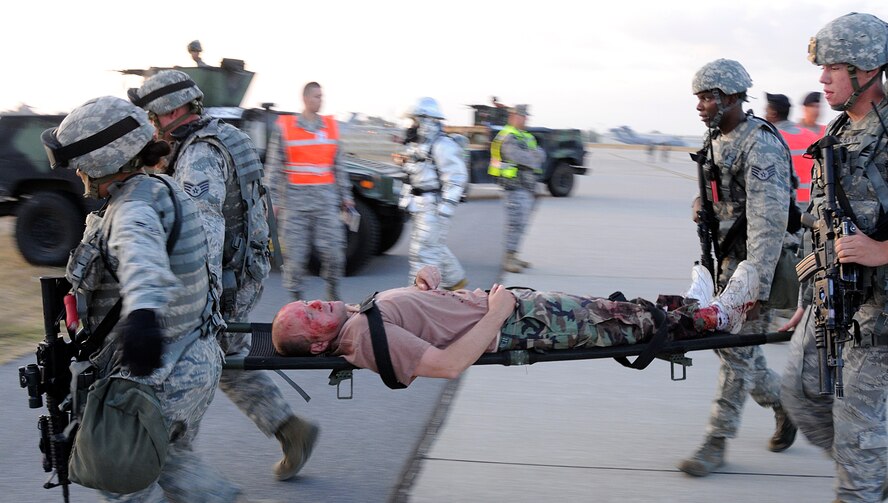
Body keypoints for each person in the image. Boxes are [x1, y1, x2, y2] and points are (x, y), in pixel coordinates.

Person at [42, 96, 240, 500]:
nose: (77, 173)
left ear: (102, 161)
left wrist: (143, 317)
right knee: (169, 461)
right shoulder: (159, 189)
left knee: (122, 480)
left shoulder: (131, 210)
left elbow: (140, 257)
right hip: (191, 362)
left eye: (79, 163)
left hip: (161, 376)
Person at [129, 70, 318, 481]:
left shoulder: (199, 154)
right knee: (228, 361)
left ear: (174, 110)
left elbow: (205, 231)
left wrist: (197, 302)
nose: (150, 123)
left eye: (153, 115)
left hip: (224, 278)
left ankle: (175, 466)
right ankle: (290, 430)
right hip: (241, 269)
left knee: (187, 365)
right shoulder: (220, 134)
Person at [271, 262, 760, 387]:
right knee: (619, 323)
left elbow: (422, 324)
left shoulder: (356, 320)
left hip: (514, 310)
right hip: (518, 323)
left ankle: (693, 311)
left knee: (613, 312)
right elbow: (445, 365)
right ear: (318, 347)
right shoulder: (363, 340)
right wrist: (500, 313)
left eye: (308, 302)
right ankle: (715, 316)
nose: (315, 304)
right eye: (309, 316)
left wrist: (422, 288)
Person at [780, 12, 888, 502]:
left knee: (857, 452)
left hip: (880, 316)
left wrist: (882, 250)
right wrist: (807, 293)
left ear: (866, 69)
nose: (821, 79)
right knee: (800, 395)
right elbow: (817, 221)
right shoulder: (840, 135)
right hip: (832, 302)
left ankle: (864, 473)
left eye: (832, 68)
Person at [679, 59, 797, 478]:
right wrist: (701, 206)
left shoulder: (759, 144)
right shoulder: (714, 139)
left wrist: (755, 288)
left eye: (707, 97)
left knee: (735, 354)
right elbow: (717, 194)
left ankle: (716, 441)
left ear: (730, 98)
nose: (700, 106)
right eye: (698, 98)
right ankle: (784, 401)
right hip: (728, 259)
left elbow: (769, 223)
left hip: (757, 263)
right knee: (732, 347)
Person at [265, 81, 354, 301]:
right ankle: (297, 305)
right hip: (295, 208)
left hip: (325, 205)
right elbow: (274, 168)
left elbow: (339, 166)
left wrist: (347, 197)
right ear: (305, 99)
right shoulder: (285, 128)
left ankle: (333, 295)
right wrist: (272, 203)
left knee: (334, 254)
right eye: (316, 96)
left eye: (321, 96)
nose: (320, 100)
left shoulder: (331, 128)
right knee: (295, 260)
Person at [395, 97, 468, 289]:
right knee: (435, 248)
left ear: (426, 121)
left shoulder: (442, 145)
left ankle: (418, 298)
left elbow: (456, 177)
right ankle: (456, 283)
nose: (411, 125)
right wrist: (406, 199)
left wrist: (444, 210)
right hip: (421, 207)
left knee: (424, 254)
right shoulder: (418, 146)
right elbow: (413, 176)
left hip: (433, 208)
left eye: (414, 120)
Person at [488, 104, 546, 273]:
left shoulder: (525, 136)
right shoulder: (508, 136)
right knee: (515, 224)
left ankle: (514, 255)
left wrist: (533, 156)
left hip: (525, 186)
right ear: (514, 117)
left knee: (522, 224)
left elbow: (541, 155)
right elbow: (520, 157)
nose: (526, 119)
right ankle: (508, 259)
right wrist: (533, 156)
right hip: (513, 186)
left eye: (527, 116)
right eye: (523, 116)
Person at [764, 92, 819, 204]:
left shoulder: (770, 139)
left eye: (767, 111)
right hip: (813, 202)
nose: (765, 115)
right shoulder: (811, 136)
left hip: (788, 204)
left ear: (774, 113)